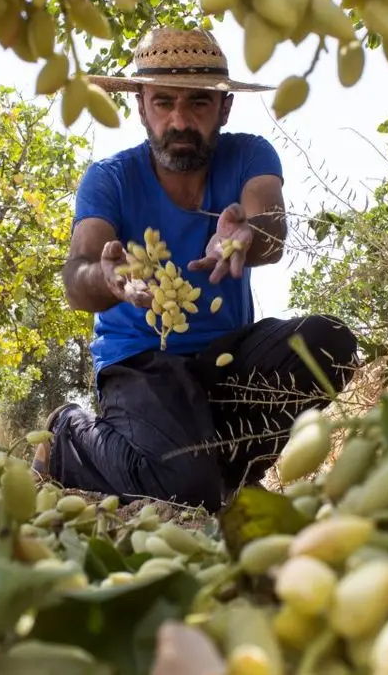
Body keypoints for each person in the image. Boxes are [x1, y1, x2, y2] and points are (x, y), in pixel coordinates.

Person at [30, 26, 358, 513]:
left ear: (224, 109)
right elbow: (78, 275)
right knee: (185, 490)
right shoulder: (110, 179)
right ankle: (67, 439)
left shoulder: (249, 155)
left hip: (223, 361)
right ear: (141, 106)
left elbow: (270, 224)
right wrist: (107, 278)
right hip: (140, 363)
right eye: (163, 103)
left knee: (330, 343)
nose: (179, 120)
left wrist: (249, 233)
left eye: (198, 104)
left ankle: (232, 474)